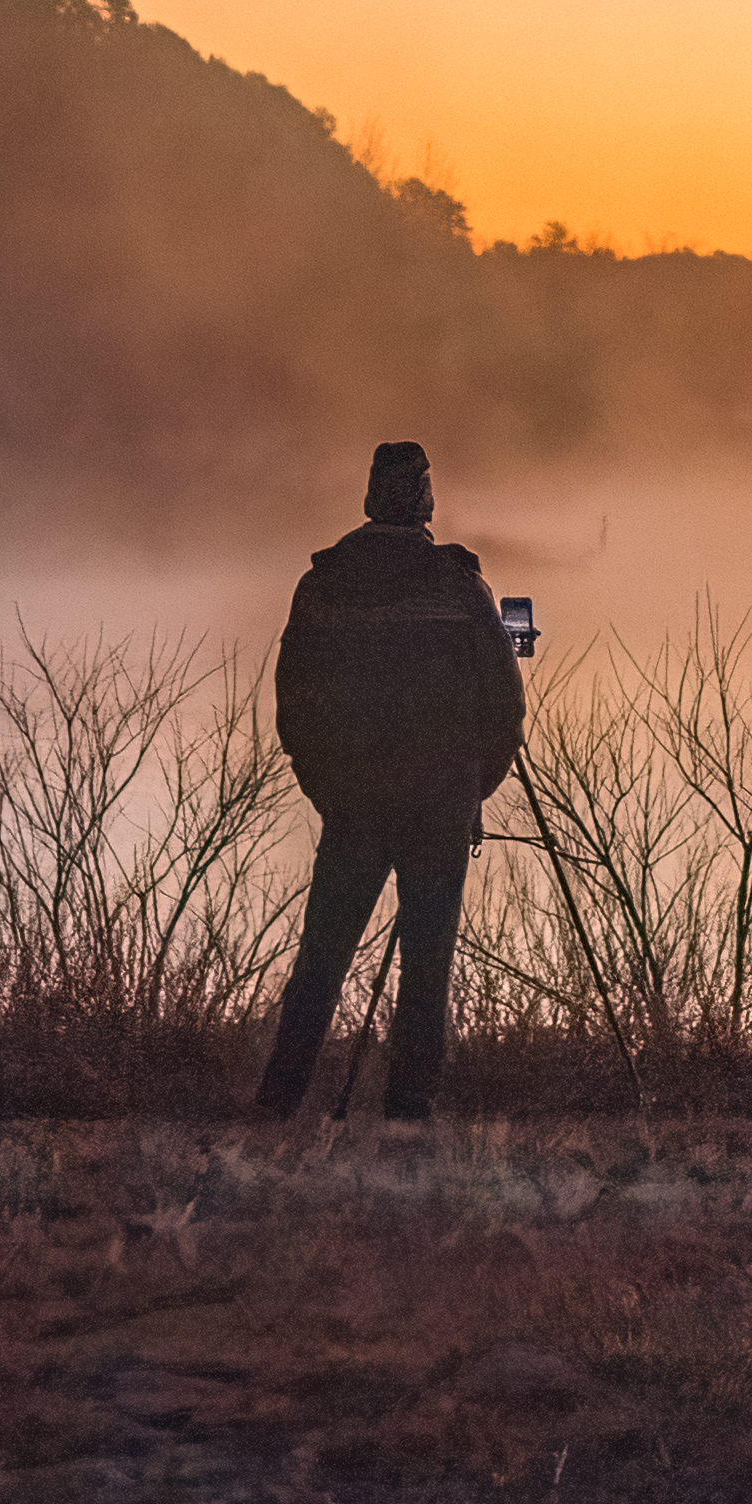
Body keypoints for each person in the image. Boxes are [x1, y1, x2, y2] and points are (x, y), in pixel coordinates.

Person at [253, 437, 527, 1121]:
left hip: (353, 799)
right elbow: (506, 703)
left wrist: (325, 786)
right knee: (427, 963)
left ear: (370, 497)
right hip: (439, 799)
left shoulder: (324, 581)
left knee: (322, 956)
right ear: (425, 499)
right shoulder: (459, 585)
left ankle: (278, 1100)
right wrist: (473, 786)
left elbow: (295, 702)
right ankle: (409, 1107)